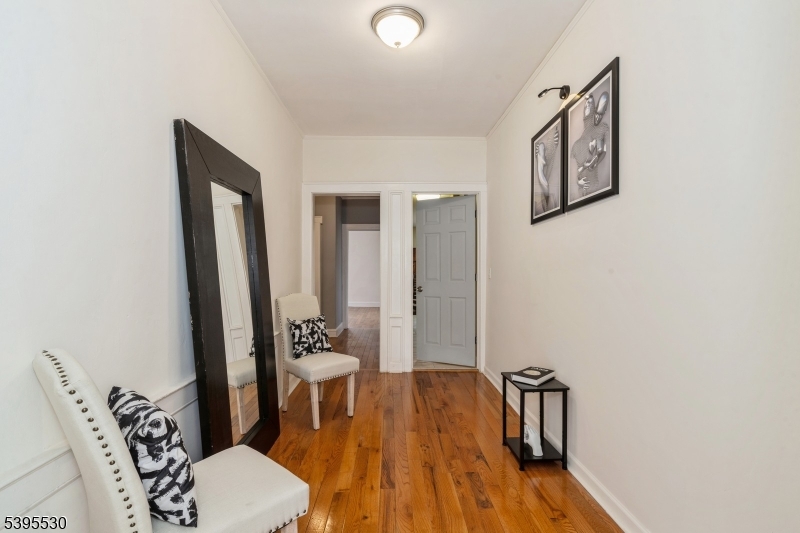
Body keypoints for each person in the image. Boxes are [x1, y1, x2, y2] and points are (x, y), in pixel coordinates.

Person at [570, 91, 610, 196]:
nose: (597, 117)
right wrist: (578, 182)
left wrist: (596, 160)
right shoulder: (580, 140)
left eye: (600, 115)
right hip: (582, 188)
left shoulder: (602, 129)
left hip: (592, 185)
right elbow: (575, 169)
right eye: (586, 104)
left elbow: (604, 151)